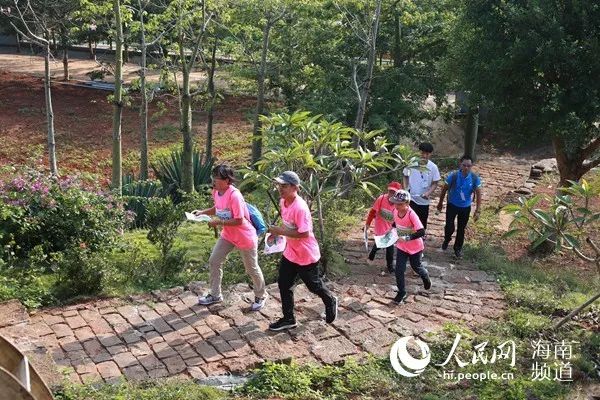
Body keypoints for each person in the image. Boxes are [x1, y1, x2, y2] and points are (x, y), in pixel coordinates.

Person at [267, 171, 338, 331]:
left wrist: (280, 231)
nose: (280, 189)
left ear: (295, 187)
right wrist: (276, 233)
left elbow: (304, 233)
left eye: (284, 186)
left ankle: (330, 299)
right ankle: (289, 318)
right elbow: (287, 224)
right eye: (279, 185)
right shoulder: (283, 202)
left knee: (313, 286)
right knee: (284, 283)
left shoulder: (300, 208)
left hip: (306, 254)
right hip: (291, 252)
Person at [193, 164, 268, 311]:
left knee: (251, 268)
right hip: (228, 235)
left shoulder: (235, 196)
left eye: (217, 178)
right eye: (213, 177)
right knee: (214, 261)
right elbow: (218, 208)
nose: (214, 181)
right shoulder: (216, 192)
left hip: (244, 236)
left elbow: (239, 220)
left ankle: (261, 295)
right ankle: (215, 295)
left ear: (227, 180)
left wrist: (219, 222)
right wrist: (203, 212)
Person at [389, 190, 431, 304]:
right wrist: (391, 232)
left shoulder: (411, 214)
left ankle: (425, 275)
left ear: (407, 204)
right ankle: (401, 292)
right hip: (402, 246)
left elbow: (421, 231)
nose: (397, 206)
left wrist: (408, 238)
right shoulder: (394, 211)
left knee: (416, 266)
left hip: (415, 247)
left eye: (400, 204)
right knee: (399, 270)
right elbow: (395, 223)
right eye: (396, 203)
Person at [436, 155, 482, 258]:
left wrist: (478, 210)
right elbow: (444, 189)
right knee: (449, 226)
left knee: (461, 229)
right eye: (464, 165)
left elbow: (479, 194)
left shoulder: (474, 178)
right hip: (452, 204)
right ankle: (447, 239)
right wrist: (440, 203)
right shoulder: (453, 176)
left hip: (465, 207)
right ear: (460, 164)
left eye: (469, 166)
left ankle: (457, 248)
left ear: (472, 166)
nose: (466, 168)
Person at [365, 181, 402, 274]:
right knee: (383, 244)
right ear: (388, 191)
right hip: (380, 225)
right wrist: (368, 224)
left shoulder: (399, 203)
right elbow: (372, 212)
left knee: (388, 247)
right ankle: (387, 264)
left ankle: (389, 266)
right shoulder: (381, 199)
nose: (392, 194)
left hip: (391, 227)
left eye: (394, 192)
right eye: (390, 191)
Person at [403, 142, 441, 231]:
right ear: (418, 152)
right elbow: (405, 175)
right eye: (422, 153)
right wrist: (405, 189)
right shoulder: (412, 162)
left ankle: (420, 240)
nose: (424, 155)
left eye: (427, 154)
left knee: (422, 222)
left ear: (430, 154)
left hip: (424, 199)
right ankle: (409, 239)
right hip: (411, 198)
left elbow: (435, 183)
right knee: (409, 220)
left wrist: (428, 193)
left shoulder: (433, 167)